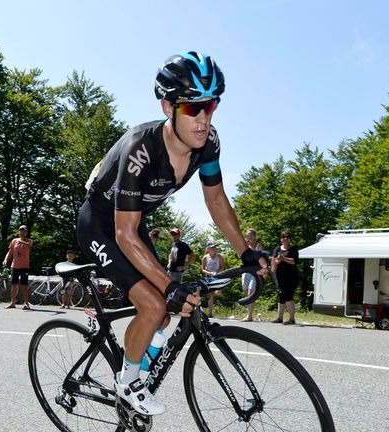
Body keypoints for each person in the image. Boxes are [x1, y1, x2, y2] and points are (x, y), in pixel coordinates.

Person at [77, 51, 267, 415]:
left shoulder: (208, 142)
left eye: (210, 106)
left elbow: (215, 199)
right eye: (192, 108)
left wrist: (245, 251)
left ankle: (138, 359)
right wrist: (168, 286)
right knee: (154, 303)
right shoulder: (141, 149)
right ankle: (126, 382)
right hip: (101, 224)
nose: (203, 119)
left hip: (132, 224)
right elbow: (123, 233)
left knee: (161, 312)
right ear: (168, 107)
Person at [271, 229, 299, 325]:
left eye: (287, 237)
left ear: (290, 239)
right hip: (279, 277)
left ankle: (292, 319)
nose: (285, 238)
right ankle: (280, 318)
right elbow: (274, 262)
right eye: (283, 237)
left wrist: (283, 258)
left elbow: (294, 261)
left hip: (291, 277)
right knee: (281, 296)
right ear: (281, 239)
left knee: (288, 296)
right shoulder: (277, 249)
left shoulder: (293, 249)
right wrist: (278, 259)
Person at [3, 225, 34, 309]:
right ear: (19, 232)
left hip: (24, 266)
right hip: (14, 266)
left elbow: (29, 246)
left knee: (24, 285)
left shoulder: (29, 241)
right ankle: (13, 303)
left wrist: (22, 242)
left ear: (27, 233)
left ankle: (26, 303)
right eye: (21, 231)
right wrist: (5, 260)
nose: (22, 233)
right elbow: (10, 252)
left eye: (24, 231)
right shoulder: (14, 241)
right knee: (13, 285)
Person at [240, 229, 263, 322]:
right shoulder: (245, 246)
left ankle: (249, 316)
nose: (249, 237)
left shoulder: (259, 246)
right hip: (246, 271)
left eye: (251, 235)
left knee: (250, 292)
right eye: (247, 235)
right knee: (246, 291)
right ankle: (249, 313)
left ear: (255, 236)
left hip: (255, 271)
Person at [201, 241, 225, 317]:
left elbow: (222, 267)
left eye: (215, 247)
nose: (214, 248)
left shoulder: (219, 256)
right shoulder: (205, 257)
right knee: (210, 294)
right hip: (209, 278)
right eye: (212, 247)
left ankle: (211, 294)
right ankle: (210, 313)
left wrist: (216, 272)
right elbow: (203, 269)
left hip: (218, 277)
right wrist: (209, 273)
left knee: (218, 293)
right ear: (208, 249)